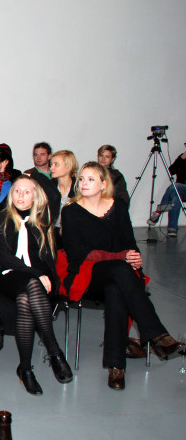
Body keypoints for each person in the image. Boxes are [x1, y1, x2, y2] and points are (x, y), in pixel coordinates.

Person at [60, 162, 181, 390]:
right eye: (82, 179)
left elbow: (130, 245)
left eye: (90, 179)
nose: (84, 183)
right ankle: (157, 335)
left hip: (120, 274)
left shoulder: (119, 208)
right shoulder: (71, 211)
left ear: (104, 184)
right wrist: (122, 257)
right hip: (86, 275)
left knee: (117, 289)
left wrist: (135, 260)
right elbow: (78, 254)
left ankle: (116, 366)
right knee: (119, 270)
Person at [0, 176, 72, 395]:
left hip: (36, 281)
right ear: (10, 195)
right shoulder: (1, 218)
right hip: (7, 275)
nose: (21, 196)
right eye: (17, 191)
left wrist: (45, 276)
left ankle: (25, 369)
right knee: (30, 284)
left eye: (27, 192)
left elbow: (48, 259)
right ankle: (55, 352)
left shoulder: (43, 222)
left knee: (25, 301)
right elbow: (4, 257)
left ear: (36, 197)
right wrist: (36, 274)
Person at [146, 147, 186, 237]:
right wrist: (182, 157)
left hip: (180, 187)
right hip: (179, 191)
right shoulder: (182, 158)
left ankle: (158, 212)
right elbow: (171, 171)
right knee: (175, 198)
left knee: (175, 186)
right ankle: (172, 228)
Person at [50, 149, 78, 229]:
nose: (51, 168)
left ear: (69, 166)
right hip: (52, 234)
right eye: (51, 164)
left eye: (56, 165)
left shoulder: (79, 189)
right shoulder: (49, 187)